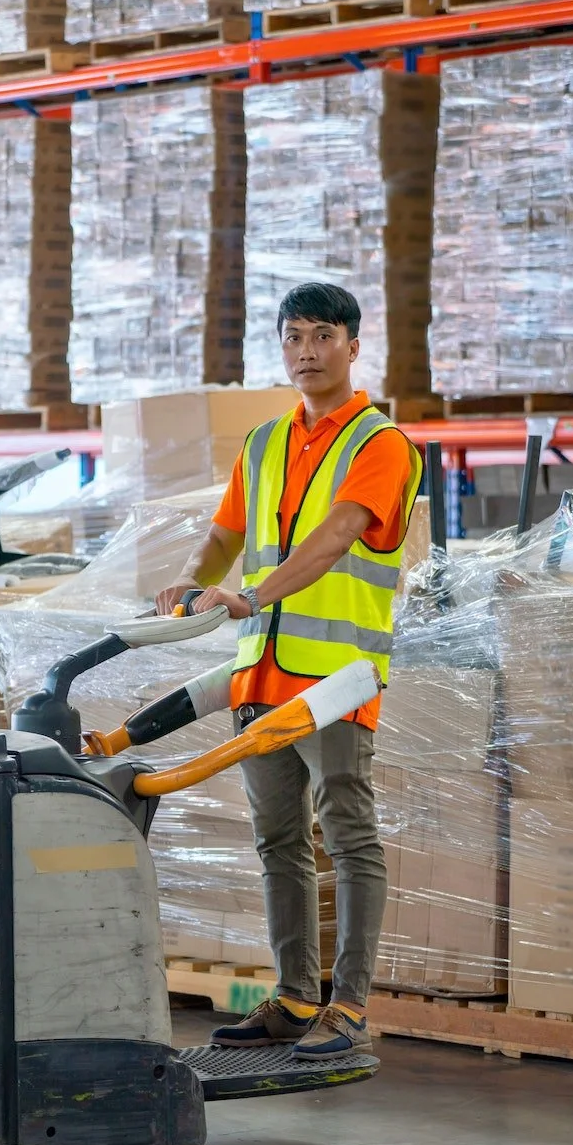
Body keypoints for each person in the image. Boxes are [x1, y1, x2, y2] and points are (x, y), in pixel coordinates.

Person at [154, 282, 420, 1062]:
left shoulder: (380, 445)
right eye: (293, 337)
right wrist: (188, 580)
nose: (307, 351)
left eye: (323, 336)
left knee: (349, 836)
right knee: (278, 841)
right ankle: (297, 996)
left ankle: (350, 1006)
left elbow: (340, 535)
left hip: (335, 679)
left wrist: (254, 594)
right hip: (260, 674)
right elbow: (223, 535)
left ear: (353, 345)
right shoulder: (265, 442)